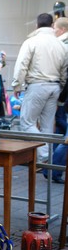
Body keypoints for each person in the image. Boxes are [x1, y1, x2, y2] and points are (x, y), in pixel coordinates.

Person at [11, 13, 68, 163]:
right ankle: (46, 158)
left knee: (27, 122)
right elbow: (64, 70)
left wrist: (17, 85)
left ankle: (44, 155)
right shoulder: (61, 45)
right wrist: (60, 86)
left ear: (37, 25)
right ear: (51, 26)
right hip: (55, 86)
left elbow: (22, 65)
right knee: (48, 126)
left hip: (37, 85)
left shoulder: (31, 42)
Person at [43, 16, 68, 183]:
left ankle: (51, 169)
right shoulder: (61, 45)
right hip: (59, 93)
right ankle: (51, 169)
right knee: (65, 138)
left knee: (61, 133)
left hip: (61, 96)